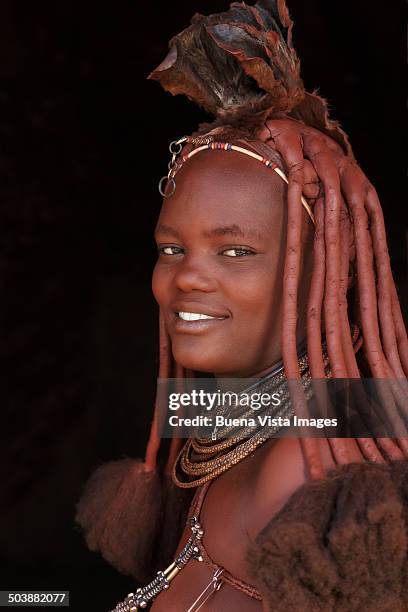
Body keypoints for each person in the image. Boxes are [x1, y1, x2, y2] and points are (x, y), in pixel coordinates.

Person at [76, 1, 408, 610]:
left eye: (234, 251)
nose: (187, 278)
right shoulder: (229, 439)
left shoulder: (303, 469)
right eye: (171, 248)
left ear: (322, 279)